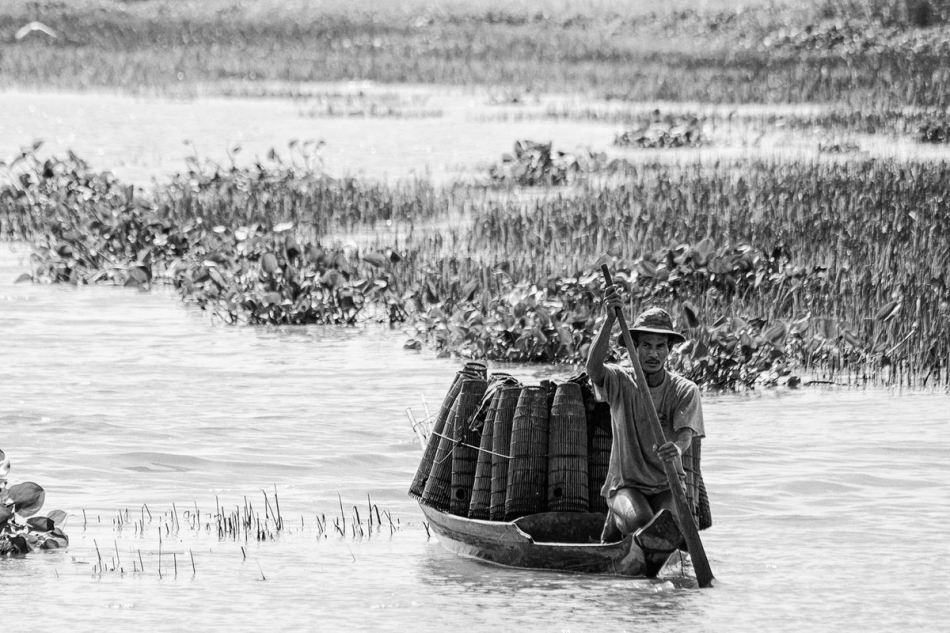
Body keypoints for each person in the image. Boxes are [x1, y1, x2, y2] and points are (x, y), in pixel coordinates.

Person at [586, 284, 705, 543]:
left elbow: (685, 436)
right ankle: (615, 521)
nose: (653, 353)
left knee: (668, 526)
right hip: (626, 485)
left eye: (660, 346)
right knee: (640, 521)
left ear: (669, 350)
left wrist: (676, 448)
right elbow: (593, 370)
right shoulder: (620, 381)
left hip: (667, 484)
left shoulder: (685, 389)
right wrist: (609, 320)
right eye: (646, 346)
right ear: (634, 348)